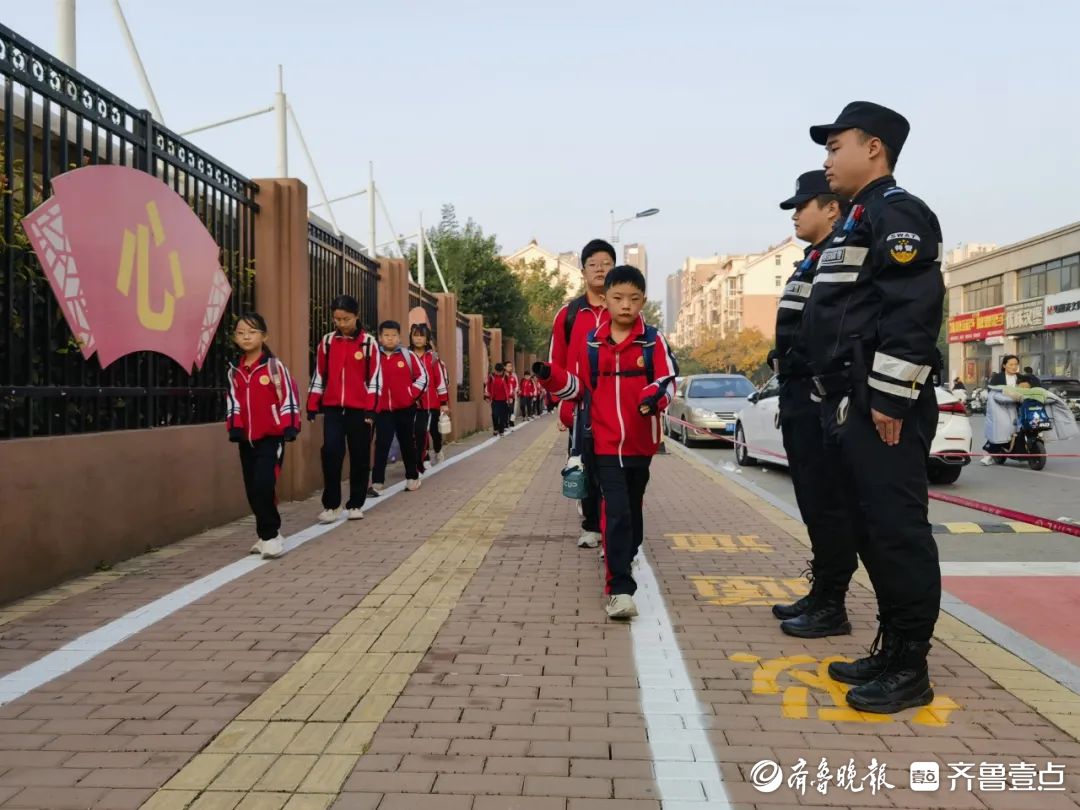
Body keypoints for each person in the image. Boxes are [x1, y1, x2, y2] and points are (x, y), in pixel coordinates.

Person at [799, 101, 944, 714]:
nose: (827, 160)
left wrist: (888, 397)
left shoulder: (897, 213)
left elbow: (912, 310)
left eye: (836, 147)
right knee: (869, 531)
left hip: (881, 404)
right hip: (849, 402)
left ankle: (911, 664)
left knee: (895, 532)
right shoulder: (859, 217)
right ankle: (890, 647)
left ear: (874, 148)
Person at [535, 265, 678, 619]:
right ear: (606, 300)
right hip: (602, 444)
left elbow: (668, 381)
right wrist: (550, 377)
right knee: (614, 511)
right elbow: (579, 389)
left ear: (643, 301)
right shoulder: (592, 344)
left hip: (641, 446)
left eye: (633, 299)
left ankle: (626, 552)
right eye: (617, 298)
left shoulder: (653, 341)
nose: (625, 305)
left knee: (631, 508)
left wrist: (653, 397)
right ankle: (619, 589)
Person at [768, 170, 859, 639]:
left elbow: (835, 327)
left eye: (802, 206)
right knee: (811, 500)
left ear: (830, 208)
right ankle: (822, 591)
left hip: (818, 393)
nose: (795, 215)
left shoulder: (839, 256)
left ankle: (833, 604)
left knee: (828, 503)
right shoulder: (810, 260)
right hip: (797, 392)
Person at [549, 239, 619, 549]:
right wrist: (563, 404)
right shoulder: (570, 314)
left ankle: (614, 527)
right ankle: (591, 526)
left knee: (615, 469)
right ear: (583, 271)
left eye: (607, 263)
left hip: (617, 405)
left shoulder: (624, 307)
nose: (601, 269)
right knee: (586, 465)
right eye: (594, 264)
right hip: (582, 405)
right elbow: (557, 363)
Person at [227, 312, 301, 559]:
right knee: (252, 488)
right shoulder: (234, 372)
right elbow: (233, 402)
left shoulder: (274, 367)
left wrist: (289, 425)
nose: (246, 336)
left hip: (272, 436)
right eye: (241, 333)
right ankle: (266, 534)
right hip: (245, 440)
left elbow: (289, 395)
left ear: (264, 336)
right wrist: (234, 427)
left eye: (252, 332)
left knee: (263, 484)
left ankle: (271, 535)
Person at [307, 295, 382, 523]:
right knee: (331, 454)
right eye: (337, 319)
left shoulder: (369, 343)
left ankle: (356, 503)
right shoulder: (327, 342)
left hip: (360, 411)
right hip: (332, 409)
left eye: (346, 319)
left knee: (359, 456)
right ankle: (331, 505)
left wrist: (371, 409)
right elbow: (319, 374)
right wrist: (312, 403)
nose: (341, 323)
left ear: (356, 316)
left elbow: (375, 378)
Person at [371, 320, 427, 493]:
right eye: (386, 335)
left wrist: (410, 395)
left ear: (399, 337)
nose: (390, 339)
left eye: (393, 335)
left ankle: (412, 477)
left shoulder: (408, 356)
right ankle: (377, 483)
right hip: (382, 410)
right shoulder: (373, 357)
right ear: (380, 337)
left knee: (407, 443)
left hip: (405, 408)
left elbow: (423, 378)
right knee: (381, 444)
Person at [408, 324, 449, 474]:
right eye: (415, 335)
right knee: (418, 431)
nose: (418, 338)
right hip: (412, 403)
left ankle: (437, 449)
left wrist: (443, 402)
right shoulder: (406, 356)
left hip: (431, 403)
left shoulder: (432, 358)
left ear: (427, 339)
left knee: (433, 432)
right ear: (411, 337)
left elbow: (440, 380)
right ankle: (423, 458)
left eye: (421, 336)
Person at [981, 355, 1021, 466]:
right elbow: (993, 393)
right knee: (1000, 430)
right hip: (1001, 407)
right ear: (1004, 365)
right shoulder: (997, 378)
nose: (1014, 367)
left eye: (1016, 364)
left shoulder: (1021, 377)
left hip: (1018, 407)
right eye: (1011, 364)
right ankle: (990, 454)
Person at [484, 362, 511, 436]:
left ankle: (501, 430)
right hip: (494, 400)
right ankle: (495, 428)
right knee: (494, 415)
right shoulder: (491, 377)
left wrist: (510, 397)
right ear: (495, 370)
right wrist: (486, 397)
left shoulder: (505, 377)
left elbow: (509, 387)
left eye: (500, 372)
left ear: (502, 371)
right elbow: (487, 387)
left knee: (502, 416)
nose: (498, 373)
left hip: (504, 400)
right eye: (497, 371)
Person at [505, 362, 519, 427]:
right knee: (505, 410)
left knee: (512, 410)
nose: (510, 367)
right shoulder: (503, 375)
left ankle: (511, 421)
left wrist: (515, 391)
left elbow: (517, 385)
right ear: (504, 367)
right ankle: (505, 423)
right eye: (508, 366)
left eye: (511, 366)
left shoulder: (514, 375)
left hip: (512, 396)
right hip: (504, 397)